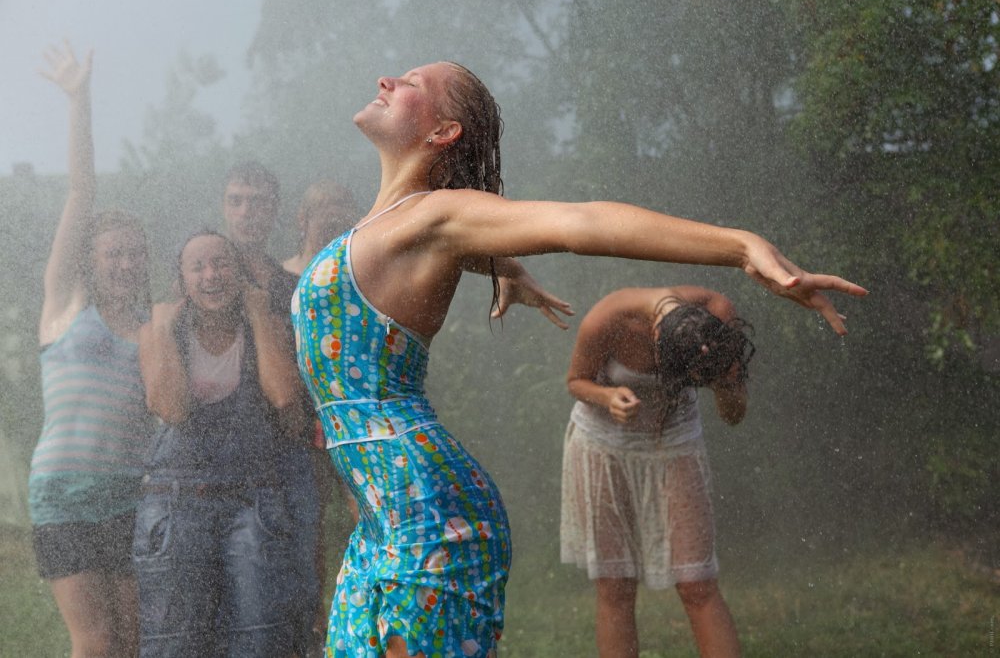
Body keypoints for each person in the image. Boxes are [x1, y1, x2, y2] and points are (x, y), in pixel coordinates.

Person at [291, 61, 866, 658]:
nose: (387, 80)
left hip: (430, 515)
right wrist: (503, 266)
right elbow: (426, 260)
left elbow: (581, 220)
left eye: (411, 82)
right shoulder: (388, 227)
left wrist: (740, 246)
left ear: (443, 132)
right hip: (382, 522)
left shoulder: (435, 213)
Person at [28, 42, 151, 658]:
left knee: (130, 643)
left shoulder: (153, 326)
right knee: (97, 644)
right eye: (113, 254)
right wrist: (80, 99)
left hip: (130, 496)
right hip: (64, 494)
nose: (125, 264)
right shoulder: (64, 307)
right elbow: (82, 192)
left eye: (135, 254)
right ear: (92, 263)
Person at [134, 231, 305, 655]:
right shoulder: (157, 332)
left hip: (251, 502)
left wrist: (261, 315)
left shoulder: (267, 326)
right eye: (198, 267)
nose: (211, 276)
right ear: (182, 280)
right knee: (176, 645)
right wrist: (163, 330)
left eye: (222, 264)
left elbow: (284, 395)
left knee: (259, 640)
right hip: (175, 505)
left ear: (240, 272)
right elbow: (172, 409)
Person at [561, 286, 754, 658]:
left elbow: (733, 416)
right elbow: (575, 381)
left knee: (696, 583)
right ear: (655, 336)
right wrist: (608, 397)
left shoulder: (717, 314)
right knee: (615, 584)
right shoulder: (607, 318)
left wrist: (723, 380)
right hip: (604, 447)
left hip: (675, 445)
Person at [221, 161, 324, 655]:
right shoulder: (207, 276)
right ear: (224, 207)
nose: (246, 212)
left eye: (257, 201)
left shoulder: (291, 286)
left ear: (276, 210)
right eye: (236, 200)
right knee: (235, 606)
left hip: (289, 454)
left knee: (300, 595)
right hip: (223, 461)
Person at [283, 178, 362, 652]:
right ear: (302, 220)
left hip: (352, 416)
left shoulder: (359, 271)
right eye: (323, 213)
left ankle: (364, 606)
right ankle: (315, 623)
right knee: (308, 525)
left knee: (365, 515)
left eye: (341, 213)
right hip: (298, 420)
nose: (333, 221)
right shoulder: (283, 274)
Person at [283, 179, 359, 275]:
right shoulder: (277, 276)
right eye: (330, 226)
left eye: (345, 227)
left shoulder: (358, 276)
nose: (336, 234)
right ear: (303, 219)